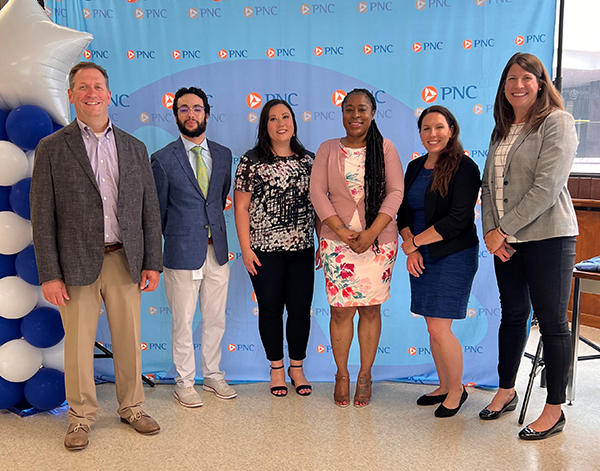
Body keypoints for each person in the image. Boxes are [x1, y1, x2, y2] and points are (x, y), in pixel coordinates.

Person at [30, 62, 163, 451]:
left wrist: (151, 260)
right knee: (78, 344)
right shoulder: (52, 148)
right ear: (71, 95)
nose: (92, 93)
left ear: (108, 93)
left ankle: (132, 408)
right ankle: (80, 418)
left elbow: (149, 211)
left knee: (128, 339)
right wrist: (49, 273)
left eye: (99, 86)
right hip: (73, 264)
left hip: (126, 260)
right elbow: (43, 217)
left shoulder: (135, 148)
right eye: (83, 87)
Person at [480, 52, 578, 440]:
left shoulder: (557, 122)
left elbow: (547, 187)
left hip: (549, 237)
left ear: (541, 83)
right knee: (512, 315)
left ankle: (554, 408)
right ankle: (505, 390)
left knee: (552, 324)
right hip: (507, 241)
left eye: (526, 78)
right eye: (510, 79)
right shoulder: (501, 129)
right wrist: (492, 231)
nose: (517, 85)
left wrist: (502, 230)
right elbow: (488, 187)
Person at [310, 89, 404, 407]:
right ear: (342, 114)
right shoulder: (327, 149)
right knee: (340, 311)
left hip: (378, 243)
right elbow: (318, 193)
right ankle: (342, 374)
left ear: (373, 113)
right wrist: (342, 230)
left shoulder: (386, 148)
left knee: (370, 309)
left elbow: (395, 192)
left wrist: (371, 232)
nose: (355, 115)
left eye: (362, 109)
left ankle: (365, 374)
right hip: (337, 243)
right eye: (349, 109)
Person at [151, 87, 236, 408]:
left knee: (216, 318)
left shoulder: (225, 155)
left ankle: (213, 374)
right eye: (184, 109)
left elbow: (219, 197)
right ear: (176, 116)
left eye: (197, 109)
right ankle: (185, 382)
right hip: (181, 253)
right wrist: (178, 236)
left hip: (217, 251)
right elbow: (157, 212)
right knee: (183, 321)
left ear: (207, 114)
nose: (191, 114)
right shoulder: (161, 159)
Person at [397, 105, 480, 418]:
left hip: (453, 255)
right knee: (433, 327)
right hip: (420, 254)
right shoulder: (415, 167)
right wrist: (413, 247)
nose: (433, 134)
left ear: (452, 130)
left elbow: (458, 220)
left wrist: (415, 243)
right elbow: (404, 212)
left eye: (439, 127)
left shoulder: (465, 168)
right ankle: (445, 384)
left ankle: (458, 391)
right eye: (426, 128)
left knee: (440, 327)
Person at [234, 99, 315, 397]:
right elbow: (240, 208)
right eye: (272, 118)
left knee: (299, 311)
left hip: (302, 249)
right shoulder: (251, 161)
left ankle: (298, 367)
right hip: (263, 250)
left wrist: (320, 242)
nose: (280, 123)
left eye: (286, 117)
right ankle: (277, 369)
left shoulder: (310, 160)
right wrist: (245, 249)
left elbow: (318, 206)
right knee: (270, 310)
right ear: (264, 126)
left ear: (294, 122)